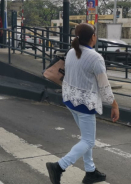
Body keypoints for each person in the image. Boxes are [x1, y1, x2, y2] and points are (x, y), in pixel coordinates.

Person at [46, 23, 119, 184]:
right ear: (93, 37)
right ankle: (59, 166)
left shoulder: (72, 52)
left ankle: (90, 171)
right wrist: (114, 104)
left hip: (71, 100)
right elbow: (104, 86)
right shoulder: (95, 58)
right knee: (88, 141)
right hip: (85, 104)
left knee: (86, 138)